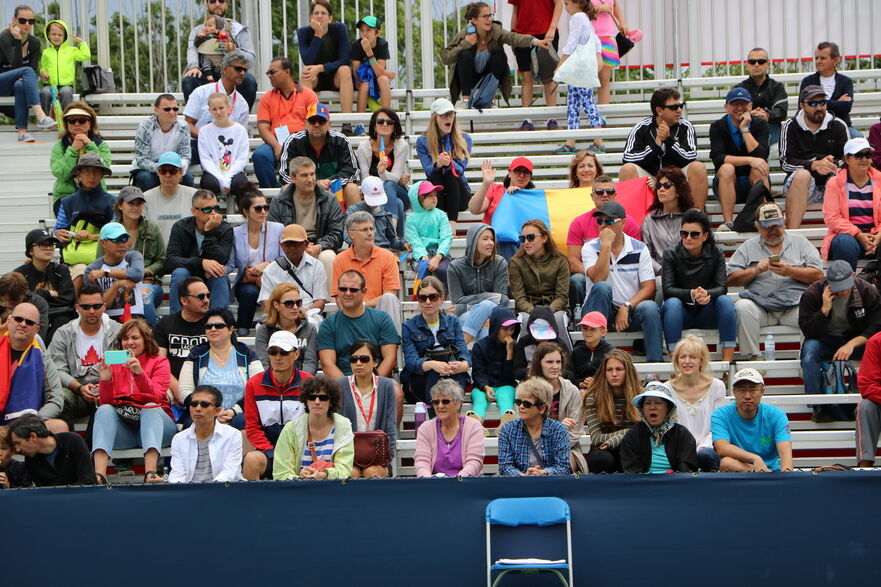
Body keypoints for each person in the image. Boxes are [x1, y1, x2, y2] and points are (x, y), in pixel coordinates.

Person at [726, 202, 824, 360]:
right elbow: (730, 280)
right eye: (767, 227)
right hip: (761, 307)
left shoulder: (801, 243)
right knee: (742, 307)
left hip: (795, 306)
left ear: (784, 222)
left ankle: (806, 358)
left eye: (776, 226)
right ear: (757, 226)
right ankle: (753, 357)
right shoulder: (747, 247)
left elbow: (818, 275)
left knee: (813, 307)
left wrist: (791, 271)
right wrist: (755, 270)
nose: (773, 231)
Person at [93, 319, 176, 484]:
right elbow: (107, 403)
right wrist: (106, 380)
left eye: (135, 338)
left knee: (150, 407)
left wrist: (139, 374)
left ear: (146, 339)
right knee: (104, 410)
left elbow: (158, 396)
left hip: (159, 428)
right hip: (128, 431)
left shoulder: (159, 361)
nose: (129, 342)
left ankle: (151, 472)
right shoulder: (114, 365)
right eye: (125, 338)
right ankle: (98, 476)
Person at [798, 260, 881, 423]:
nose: (842, 290)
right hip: (824, 341)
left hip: (856, 341)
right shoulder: (812, 294)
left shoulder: (867, 291)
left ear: (853, 275)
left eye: (845, 284)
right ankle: (818, 406)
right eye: (837, 285)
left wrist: (851, 344)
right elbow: (808, 331)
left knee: (877, 346)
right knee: (809, 351)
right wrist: (824, 309)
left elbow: (877, 327)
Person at [583, 201, 663, 361]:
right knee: (603, 288)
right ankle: (599, 364)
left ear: (623, 223)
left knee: (650, 307)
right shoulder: (590, 247)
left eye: (610, 221)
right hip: (597, 310)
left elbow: (649, 288)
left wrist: (626, 307)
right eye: (600, 221)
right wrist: (606, 245)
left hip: (628, 311)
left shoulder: (639, 248)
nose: (604, 226)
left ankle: (655, 370)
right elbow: (599, 278)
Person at [441, 2, 550, 108]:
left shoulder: (495, 30)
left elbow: (513, 37)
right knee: (465, 54)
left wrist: (536, 41)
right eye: (485, 16)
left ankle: (487, 100)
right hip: (469, 77)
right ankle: (466, 101)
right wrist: (465, 44)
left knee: (499, 56)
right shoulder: (466, 33)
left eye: (490, 15)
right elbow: (445, 58)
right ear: (474, 20)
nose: (489, 19)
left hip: (488, 77)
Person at [661, 208, 736, 361]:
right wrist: (692, 294)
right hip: (681, 312)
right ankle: (675, 363)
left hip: (707, 311)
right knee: (672, 304)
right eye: (684, 233)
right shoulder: (670, 254)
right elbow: (668, 290)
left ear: (705, 236)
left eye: (694, 234)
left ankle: (727, 363)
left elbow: (722, 287)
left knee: (725, 301)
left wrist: (707, 294)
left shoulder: (716, 253)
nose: (688, 238)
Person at [48, 283, 122, 430]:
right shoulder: (64, 333)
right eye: (86, 307)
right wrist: (79, 388)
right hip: (76, 390)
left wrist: (105, 386)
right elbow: (57, 369)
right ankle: (68, 446)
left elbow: (124, 363)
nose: (92, 311)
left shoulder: (118, 332)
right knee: (60, 396)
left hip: (111, 389)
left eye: (97, 306)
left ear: (104, 307)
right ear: (77, 308)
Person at [620, 88, 708, 209]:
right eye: (674, 107)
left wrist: (669, 140)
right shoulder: (641, 128)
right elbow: (627, 157)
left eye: (680, 106)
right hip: (649, 178)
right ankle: (632, 223)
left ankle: (695, 219)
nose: (679, 110)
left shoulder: (686, 127)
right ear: (659, 110)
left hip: (677, 178)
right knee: (627, 169)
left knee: (698, 168)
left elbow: (690, 156)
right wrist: (655, 147)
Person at [242, 331, 312, 480]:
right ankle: (251, 503)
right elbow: (253, 427)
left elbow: (316, 424)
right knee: (251, 460)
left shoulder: (309, 383)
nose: (278, 357)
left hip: (302, 451)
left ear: (296, 354)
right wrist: (271, 453)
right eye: (273, 352)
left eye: (284, 352)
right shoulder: (253, 384)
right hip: (268, 452)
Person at [178, 309, 262, 430]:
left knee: (242, 421)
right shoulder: (196, 354)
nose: (213, 329)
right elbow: (185, 391)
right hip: (204, 412)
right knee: (193, 422)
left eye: (219, 326)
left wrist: (234, 411)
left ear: (230, 329)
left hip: (239, 414)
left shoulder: (246, 354)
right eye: (208, 326)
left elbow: (257, 389)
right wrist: (208, 410)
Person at [567, 173, 641, 308]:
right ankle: (577, 317)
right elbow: (572, 261)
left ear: (616, 194)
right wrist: (596, 271)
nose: (605, 195)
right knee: (577, 280)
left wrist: (612, 273)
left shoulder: (628, 222)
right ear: (592, 196)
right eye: (600, 192)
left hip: (623, 274)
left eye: (610, 191)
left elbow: (637, 256)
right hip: (591, 276)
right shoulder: (578, 222)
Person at [780, 84, 848, 229]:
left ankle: (845, 232)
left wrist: (831, 164)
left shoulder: (838, 125)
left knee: (839, 177)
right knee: (803, 175)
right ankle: (793, 233)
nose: (819, 107)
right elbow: (786, 163)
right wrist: (814, 164)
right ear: (802, 106)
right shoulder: (790, 126)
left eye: (822, 102)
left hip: (830, 183)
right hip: (800, 185)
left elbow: (849, 160)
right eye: (812, 103)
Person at [268, 157, 345, 282]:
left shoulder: (330, 199)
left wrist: (319, 247)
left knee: (329, 257)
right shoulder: (279, 201)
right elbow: (274, 235)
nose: (310, 179)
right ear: (292, 178)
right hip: (290, 247)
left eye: (312, 174)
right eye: (304, 175)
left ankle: (328, 300)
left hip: (319, 246)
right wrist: (296, 247)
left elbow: (337, 234)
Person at [317, 270, 400, 380]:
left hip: (377, 379)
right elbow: (328, 365)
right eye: (343, 289)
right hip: (342, 382)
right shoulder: (328, 324)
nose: (347, 293)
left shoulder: (382, 319)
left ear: (364, 292)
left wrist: (372, 385)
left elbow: (390, 359)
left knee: (396, 392)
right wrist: (348, 387)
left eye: (353, 290)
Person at [402, 277, 471, 404]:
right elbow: (411, 362)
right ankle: (440, 421)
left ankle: (450, 420)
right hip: (421, 380)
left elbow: (463, 352)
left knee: (455, 375)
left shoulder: (453, 322)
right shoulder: (408, 326)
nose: (428, 302)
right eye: (423, 298)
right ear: (418, 300)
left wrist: (463, 365)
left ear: (441, 298)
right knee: (436, 373)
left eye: (432, 297)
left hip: (452, 374)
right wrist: (433, 364)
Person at [710, 87, 771, 230]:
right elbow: (718, 158)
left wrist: (745, 129)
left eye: (743, 104)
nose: (739, 108)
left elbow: (761, 155)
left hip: (752, 183)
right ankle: (728, 223)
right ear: (726, 107)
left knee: (759, 168)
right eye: (734, 104)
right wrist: (749, 160)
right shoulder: (717, 126)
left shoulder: (760, 123)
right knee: (726, 168)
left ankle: (764, 220)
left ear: (750, 105)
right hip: (726, 184)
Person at [253, 57, 318, 188]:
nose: (269, 76)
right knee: (260, 155)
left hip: (302, 142)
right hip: (275, 143)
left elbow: (315, 124)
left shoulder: (308, 94)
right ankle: (273, 196)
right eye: (268, 73)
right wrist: (277, 146)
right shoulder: (266, 98)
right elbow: (263, 127)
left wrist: (297, 144)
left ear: (287, 72)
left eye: (272, 72)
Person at [278, 103, 361, 206]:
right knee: (287, 188)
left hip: (335, 188)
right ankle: (293, 222)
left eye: (321, 121)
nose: (317, 124)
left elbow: (352, 172)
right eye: (312, 121)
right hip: (303, 189)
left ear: (329, 124)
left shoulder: (341, 141)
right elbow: (284, 174)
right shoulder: (293, 141)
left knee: (352, 188)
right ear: (306, 124)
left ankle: (356, 222)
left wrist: (328, 181)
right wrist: (312, 183)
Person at [273, 375, 354, 480]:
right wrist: (299, 478)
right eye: (312, 397)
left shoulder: (343, 425)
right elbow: (281, 473)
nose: (317, 402)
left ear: (331, 402)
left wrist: (324, 474)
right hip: (299, 490)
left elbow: (344, 469)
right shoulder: (291, 429)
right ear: (306, 401)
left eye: (323, 398)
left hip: (333, 490)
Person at [332, 212, 403, 331]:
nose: (370, 233)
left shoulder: (388, 257)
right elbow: (339, 299)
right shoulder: (340, 260)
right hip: (351, 316)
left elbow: (389, 295)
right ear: (351, 234)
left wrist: (362, 306)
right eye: (364, 229)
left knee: (390, 299)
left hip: (380, 315)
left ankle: (391, 344)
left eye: (371, 229)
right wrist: (358, 310)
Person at [52, 152, 116, 286]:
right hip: (75, 260)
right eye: (87, 171)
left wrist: (91, 236)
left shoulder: (113, 202)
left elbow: (116, 235)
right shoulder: (67, 202)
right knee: (80, 272)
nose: (92, 176)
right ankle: (76, 306)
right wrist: (60, 233)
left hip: (105, 259)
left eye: (96, 172)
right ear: (79, 174)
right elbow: (59, 230)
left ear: (102, 175)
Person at [338, 339, 399, 478]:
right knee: (351, 473)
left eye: (364, 359)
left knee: (371, 472)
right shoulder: (340, 385)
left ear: (375, 362)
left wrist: (387, 459)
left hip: (377, 455)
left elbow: (391, 425)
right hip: (348, 454)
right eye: (354, 359)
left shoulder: (386, 385)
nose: (359, 363)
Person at [712, 368, 793, 472]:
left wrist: (787, 476)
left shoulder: (776, 415)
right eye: (742, 390)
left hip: (772, 472)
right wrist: (755, 458)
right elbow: (722, 448)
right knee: (727, 463)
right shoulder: (721, 415)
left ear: (762, 392)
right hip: (743, 469)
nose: (747, 396)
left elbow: (785, 455)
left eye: (753, 390)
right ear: (734, 392)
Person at [665, 335, 727, 472]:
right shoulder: (667, 389)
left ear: (701, 360)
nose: (687, 361)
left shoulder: (717, 386)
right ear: (676, 361)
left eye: (692, 357)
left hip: (708, 449)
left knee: (705, 456)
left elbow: (718, 427)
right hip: (678, 449)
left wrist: (701, 447)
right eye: (682, 357)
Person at [166, 190, 233, 313]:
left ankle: (218, 321)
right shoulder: (180, 227)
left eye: (216, 208)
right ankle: (175, 322)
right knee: (179, 273)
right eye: (207, 210)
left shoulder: (225, 228)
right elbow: (171, 260)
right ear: (193, 211)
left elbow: (221, 259)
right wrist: (201, 263)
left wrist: (209, 232)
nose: (213, 213)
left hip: (211, 277)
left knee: (219, 275)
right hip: (188, 274)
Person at [226, 189, 283, 334]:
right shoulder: (236, 233)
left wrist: (266, 265)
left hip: (272, 279)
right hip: (247, 281)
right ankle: (242, 328)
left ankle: (274, 326)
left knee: (267, 286)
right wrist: (217, 270)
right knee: (249, 292)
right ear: (246, 211)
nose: (263, 211)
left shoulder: (278, 229)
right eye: (258, 208)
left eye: (266, 207)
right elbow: (231, 263)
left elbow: (284, 260)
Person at [0, 302, 65, 430]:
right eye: (18, 319)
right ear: (9, 321)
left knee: (59, 427)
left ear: (37, 330)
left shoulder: (42, 358)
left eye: (29, 322)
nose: (23, 324)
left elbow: (56, 399)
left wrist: (35, 421)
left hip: (28, 427)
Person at [182, 0, 257, 108]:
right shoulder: (197, 31)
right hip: (206, 73)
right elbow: (192, 49)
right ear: (207, 5)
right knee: (189, 80)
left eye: (221, 1)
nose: (217, 4)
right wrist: (193, 67)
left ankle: (239, 121)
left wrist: (233, 49)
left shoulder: (238, 29)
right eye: (212, 1)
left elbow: (251, 59)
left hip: (232, 74)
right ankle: (197, 122)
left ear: (226, 4)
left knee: (249, 81)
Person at [108, 186, 166, 325]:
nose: (135, 207)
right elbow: (101, 261)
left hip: (148, 283)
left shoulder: (152, 228)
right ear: (120, 205)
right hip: (117, 283)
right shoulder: (110, 229)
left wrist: (145, 271)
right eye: (131, 203)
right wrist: (125, 276)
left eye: (139, 203)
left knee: (143, 296)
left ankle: (153, 337)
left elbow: (162, 260)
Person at [821, 137, 881, 270]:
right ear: (847, 159)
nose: (864, 159)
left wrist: (879, 235)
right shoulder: (834, 183)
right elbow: (832, 218)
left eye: (867, 154)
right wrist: (858, 234)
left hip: (875, 237)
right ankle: (847, 288)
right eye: (859, 155)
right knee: (845, 243)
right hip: (848, 237)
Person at [182, 51, 251, 167]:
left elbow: (240, 135)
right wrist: (207, 138)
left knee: (237, 176)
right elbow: (188, 123)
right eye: (238, 69)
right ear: (224, 69)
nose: (242, 73)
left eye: (244, 70)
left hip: (227, 147)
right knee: (181, 159)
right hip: (199, 143)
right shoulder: (201, 92)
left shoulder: (242, 103)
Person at [553, 0, 603, 155]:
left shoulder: (577, 17)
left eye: (567, 4)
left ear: (577, 3)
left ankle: (598, 141)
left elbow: (572, 43)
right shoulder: (585, 18)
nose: (566, 8)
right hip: (583, 66)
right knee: (574, 103)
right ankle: (571, 141)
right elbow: (596, 41)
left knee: (585, 102)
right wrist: (598, 57)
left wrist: (560, 64)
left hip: (579, 68)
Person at [0, 5, 56, 142]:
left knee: (20, 85)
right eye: (22, 20)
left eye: (31, 21)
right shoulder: (4, 37)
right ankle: (41, 115)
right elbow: (16, 67)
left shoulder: (34, 43)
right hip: (2, 83)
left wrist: (22, 76)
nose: (27, 24)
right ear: (14, 19)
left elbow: (33, 68)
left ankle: (22, 133)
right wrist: (18, 40)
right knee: (26, 71)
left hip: (16, 85)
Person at [529, 341, 587, 473]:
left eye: (558, 362)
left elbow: (575, 432)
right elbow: (527, 430)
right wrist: (559, 428)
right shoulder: (527, 392)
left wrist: (553, 442)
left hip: (566, 448)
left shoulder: (572, 391)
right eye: (549, 362)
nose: (555, 366)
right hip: (532, 448)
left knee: (564, 460)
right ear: (539, 363)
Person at [509, 219, 570, 341]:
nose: (526, 242)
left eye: (530, 237)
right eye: (522, 239)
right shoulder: (515, 263)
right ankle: (523, 358)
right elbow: (520, 299)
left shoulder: (561, 261)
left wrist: (547, 312)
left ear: (544, 238)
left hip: (555, 309)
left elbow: (562, 297)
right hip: (528, 310)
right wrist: (536, 313)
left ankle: (566, 357)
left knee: (558, 319)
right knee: (525, 320)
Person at [447, 223, 509, 343]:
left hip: (494, 313)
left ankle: (459, 350)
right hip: (466, 316)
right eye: (485, 239)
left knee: (487, 311)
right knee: (486, 323)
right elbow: (458, 301)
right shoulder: (455, 267)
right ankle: (484, 360)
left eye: (492, 239)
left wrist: (467, 305)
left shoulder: (500, 263)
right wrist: (486, 299)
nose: (491, 243)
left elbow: (502, 300)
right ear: (473, 241)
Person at [416, 98, 472, 230]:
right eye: (444, 115)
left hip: (459, 196)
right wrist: (438, 165)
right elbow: (429, 171)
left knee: (450, 175)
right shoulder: (422, 141)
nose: (449, 118)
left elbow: (460, 170)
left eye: (451, 114)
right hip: (436, 196)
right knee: (436, 176)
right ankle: (440, 226)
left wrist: (449, 162)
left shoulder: (464, 139)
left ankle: (451, 227)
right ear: (435, 118)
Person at [168, 384, 243, 483]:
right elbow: (177, 474)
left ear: (217, 411)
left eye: (204, 404)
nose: (198, 408)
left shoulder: (233, 435)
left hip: (223, 491)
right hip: (189, 493)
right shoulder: (179, 439)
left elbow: (230, 472)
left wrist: (208, 491)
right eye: (194, 404)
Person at [497, 377, 571, 476]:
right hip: (517, 486)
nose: (521, 407)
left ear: (542, 408)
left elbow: (563, 467)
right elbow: (505, 466)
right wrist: (522, 476)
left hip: (549, 486)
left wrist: (543, 473)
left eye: (527, 404)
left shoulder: (559, 430)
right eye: (518, 402)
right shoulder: (507, 429)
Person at [620, 381, 698, 473]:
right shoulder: (633, 435)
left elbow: (688, 469)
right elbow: (631, 469)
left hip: (675, 482)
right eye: (648, 403)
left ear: (668, 408)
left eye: (658, 403)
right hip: (642, 483)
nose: (652, 407)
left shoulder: (682, 434)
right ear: (642, 409)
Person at [583, 349, 641, 473]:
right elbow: (596, 438)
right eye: (609, 370)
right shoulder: (593, 397)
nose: (614, 374)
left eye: (619, 369)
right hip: (603, 449)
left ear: (628, 371)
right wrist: (631, 432)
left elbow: (645, 433)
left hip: (633, 448)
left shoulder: (641, 396)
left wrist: (615, 440)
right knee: (600, 459)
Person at [257, 223, 329, 322]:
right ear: (281, 245)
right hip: (280, 316)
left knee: (313, 323)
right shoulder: (270, 270)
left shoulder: (317, 266)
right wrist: (285, 316)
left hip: (308, 315)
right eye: (288, 244)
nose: (292, 248)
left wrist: (302, 313)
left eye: (296, 244)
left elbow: (320, 302)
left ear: (306, 245)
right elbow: (267, 302)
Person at [414, 379, 485, 477]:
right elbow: (422, 462)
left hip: (466, 484)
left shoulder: (473, 426)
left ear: (458, 404)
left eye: (445, 401)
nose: (440, 406)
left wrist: (457, 481)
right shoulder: (425, 428)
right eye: (436, 402)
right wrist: (428, 482)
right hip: (434, 486)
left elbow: (474, 462)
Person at [510, 0, 562, 131]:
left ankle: (552, 119)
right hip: (522, 35)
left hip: (546, 32)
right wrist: (512, 35)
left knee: (550, 77)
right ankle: (527, 119)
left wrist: (552, 28)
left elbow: (559, 3)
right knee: (526, 77)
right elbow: (515, 11)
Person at [469, 157, 536, 259]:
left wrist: (517, 195)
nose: (521, 175)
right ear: (509, 173)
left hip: (520, 244)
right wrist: (486, 183)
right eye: (518, 171)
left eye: (526, 172)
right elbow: (474, 209)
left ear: (530, 177)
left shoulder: (532, 197)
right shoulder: (495, 189)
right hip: (492, 241)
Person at [297, 0, 354, 119]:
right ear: (310, 17)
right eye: (316, 13)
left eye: (323, 13)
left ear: (330, 18)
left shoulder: (339, 29)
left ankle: (347, 122)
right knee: (306, 71)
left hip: (336, 77)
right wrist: (318, 34)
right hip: (315, 79)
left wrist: (321, 68)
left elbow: (344, 59)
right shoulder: (303, 32)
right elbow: (308, 60)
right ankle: (311, 120)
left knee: (345, 70)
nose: (319, 16)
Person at [154, 277, 209, 400]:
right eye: (200, 296)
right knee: (159, 396)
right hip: (173, 387)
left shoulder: (217, 324)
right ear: (184, 300)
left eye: (208, 295)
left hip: (209, 388)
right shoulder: (164, 324)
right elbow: (159, 363)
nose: (206, 300)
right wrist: (180, 390)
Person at [15, 228, 75, 338]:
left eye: (51, 244)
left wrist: (38, 295)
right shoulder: (20, 274)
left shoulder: (61, 270)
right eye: (43, 245)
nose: (48, 248)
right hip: (30, 318)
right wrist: (49, 294)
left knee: (63, 321)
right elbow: (22, 301)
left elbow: (68, 298)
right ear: (30, 251)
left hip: (59, 315)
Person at [353, 108, 411, 224]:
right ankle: (395, 237)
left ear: (394, 127)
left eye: (389, 122)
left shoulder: (401, 145)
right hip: (373, 194)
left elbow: (394, 178)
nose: (385, 124)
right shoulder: (363, 148)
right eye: (380, 122)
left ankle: (391, 227)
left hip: (399, 191)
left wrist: (382, 173)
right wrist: (394, 179)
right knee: (397, 204)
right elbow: (366, 179)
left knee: (389, 185)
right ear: (374, 126)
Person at [50, 102, 111, 206]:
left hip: (96, 194)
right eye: (72, 121)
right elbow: (61, 174)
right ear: (67, 124)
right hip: (66, 196)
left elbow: (103, 169)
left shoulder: (101, 145)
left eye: (82, 120)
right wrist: (73, 150)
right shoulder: (60, 146)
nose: (77, 124)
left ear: (90, 122)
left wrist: (89, 145)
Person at [9, 414, 95, 486]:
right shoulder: (30, 460)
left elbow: (88, 480)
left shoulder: (72, 441)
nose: (17, 449)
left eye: (18, 443)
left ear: (33, 436)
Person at [83, 222, 145, 321]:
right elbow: (96, 306)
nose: (122, 244)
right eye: (116, 240)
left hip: (135, 317)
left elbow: (138, 274)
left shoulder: (134, 256)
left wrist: (105, 272)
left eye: (124, 239)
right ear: (103, 243)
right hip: (106, 320)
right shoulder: (91, 270)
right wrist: (117, 285)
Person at [131, 94, 194, 192]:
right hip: (149, 170)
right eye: (167, 109)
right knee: (146, 179)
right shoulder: (144, 127)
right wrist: (162, 169)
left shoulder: (183, 127)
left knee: (188, 179)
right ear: (156, 110)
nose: (172, 112)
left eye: (175, 109)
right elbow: (141, 160)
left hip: (174, 167)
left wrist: (176, 169)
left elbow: (185, 156)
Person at [470, 305, 520, 427]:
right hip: (483, 387)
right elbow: (477, 373)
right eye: (505, 329)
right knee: (479, 399)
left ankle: (506, 424)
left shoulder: (515, 346)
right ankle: (476, 424)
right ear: (496, 328)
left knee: (506, 397)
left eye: (512, 329)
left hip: (505, 385)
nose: (509, 333)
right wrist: (486, 387)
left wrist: (510, 352)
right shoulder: (480, 346)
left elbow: (509, 377)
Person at [197, 92, 249, 204]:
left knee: (241, 183)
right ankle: (211, 212)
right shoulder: (204, 131)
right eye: (214, 109)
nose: (218, 112)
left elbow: (242, 158)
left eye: (221, 108)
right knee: (209, 184)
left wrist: (228, 178)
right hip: (213, 172)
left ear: (228, 107)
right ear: (209, 110)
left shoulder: (240, 130)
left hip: (235, 171)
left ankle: (244, 212)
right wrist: (221, 179)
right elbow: (205, 159)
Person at [256, 283, 318, 374]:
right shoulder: (264, 330)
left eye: (298, 302)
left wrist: (301, 384)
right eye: (289, 303)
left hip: (302, 384)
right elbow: (263, 363)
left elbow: (310, 363)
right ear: (276, 305)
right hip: (273, 382)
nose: (295, 307)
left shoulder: (310, 328)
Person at [735, 47, 788, 147]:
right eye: (752, 62)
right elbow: (734, 113)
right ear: (747, 65)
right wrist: (752, 115)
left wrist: (767, 115)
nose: (756, 65)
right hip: (746, 130)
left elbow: (781, 111)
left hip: (772, 132)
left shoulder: (777, 87)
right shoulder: (739, 89)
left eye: (761, 61)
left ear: (768, 64)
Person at [143, 151, 199, 243]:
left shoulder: (193, 195)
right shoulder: (146, 198)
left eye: (172, 170)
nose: (167, 175)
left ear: (181, 172)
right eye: (163, 171)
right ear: (158, 172)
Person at [406, 181, 453, 286]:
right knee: (423, 269)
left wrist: (438, 257)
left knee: (443, 270)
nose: (434, 198)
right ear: (419, 199)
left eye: (435, 195)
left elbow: (446, 237)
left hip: (441, 254)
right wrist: (422, 256)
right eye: (429, 196)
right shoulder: (411, 219)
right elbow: (414, 240)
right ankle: (425, 298)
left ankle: (443, 298)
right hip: (420, 255)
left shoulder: (440, 215)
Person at [38, 19, 89, 114]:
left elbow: (85, 55)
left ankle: (67, 118)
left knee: (66, 93)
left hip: (66, 85)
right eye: (53, 34)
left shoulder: (71, 51)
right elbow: (43, 66)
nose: (56, 37)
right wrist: (42, 72)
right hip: (50, 85)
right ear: (48, 35)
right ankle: (44, 119)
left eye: (60, 35)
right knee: (45, 93)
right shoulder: (46, 52)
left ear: (64, 36)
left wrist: (81, 43)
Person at [799, 41, 854, 130]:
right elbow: (803, 107)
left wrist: (816, 103)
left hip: (842, 126)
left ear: (835, 60)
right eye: (816, 58)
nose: (818, 61)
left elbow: (846, 107)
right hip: (815, 126)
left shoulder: (846, 81)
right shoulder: (807, 81)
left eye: (823, 58)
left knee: (858, 137)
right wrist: (837, 102)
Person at [513, 305, 575, 381]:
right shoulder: (524, 342)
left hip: (556, 382)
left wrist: (559, 372)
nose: (542, 339)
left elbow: (571, 373)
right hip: (531, 382)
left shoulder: (560, 344)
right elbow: (516, 372)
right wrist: (531, 371)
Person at [345, 176, 406, 251]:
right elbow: (347, 237)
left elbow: (391, 240)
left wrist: (402, 244)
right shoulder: (353, 212)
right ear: (362, 195)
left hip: (383, 252)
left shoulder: (385, 213)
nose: (375, 204)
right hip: (362, 251)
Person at [351, 15, 396, 112]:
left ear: (377, 33)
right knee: (365, 84)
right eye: (362, 30)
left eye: (368, 30)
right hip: (362, 80)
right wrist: (385, 71)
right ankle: (360, 120)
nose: (364, 33)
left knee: (383, 79)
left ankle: (386, 115)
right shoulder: (356, 45)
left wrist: (369, 53)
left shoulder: (382, 44)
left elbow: (379, 73)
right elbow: (356, 73)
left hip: (377, 79)